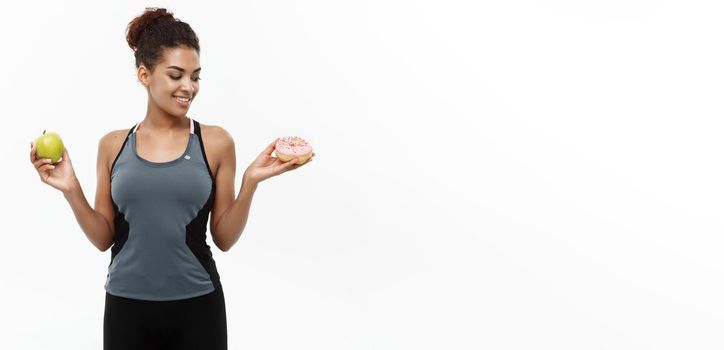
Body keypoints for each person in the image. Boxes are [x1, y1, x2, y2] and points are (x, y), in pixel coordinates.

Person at [28, 7, 314, 350]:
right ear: (144, 74)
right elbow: (104, 237)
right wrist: (71, 190)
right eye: (176, 75)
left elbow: (223, 238)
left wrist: (250, 182)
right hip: (126, 307)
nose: (188, 87)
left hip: (198, 306)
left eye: (195, 76)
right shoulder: (113, 145)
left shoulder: (216, 142)